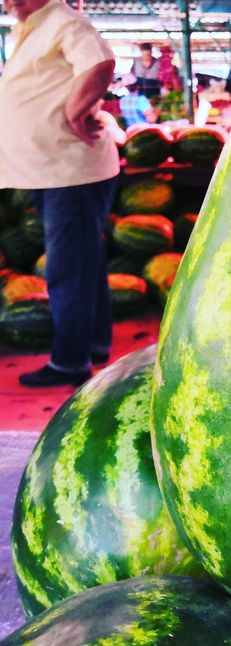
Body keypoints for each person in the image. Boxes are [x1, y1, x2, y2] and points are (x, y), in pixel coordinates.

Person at [0, 0, 120, 387]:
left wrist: (75, 111)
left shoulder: (64, 21)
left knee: (67, 268)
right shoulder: (32, 27)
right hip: (51, 170)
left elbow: (100, 64)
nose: (10, 1)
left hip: (71, 171)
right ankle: (95, 344)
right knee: (84, 260)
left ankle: (71, 362)